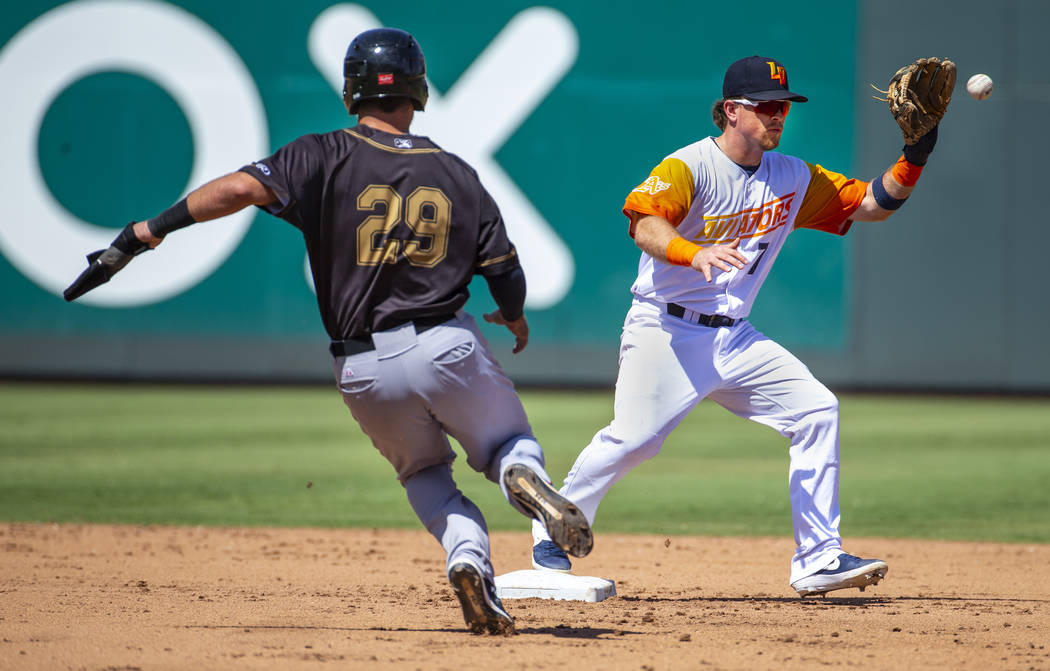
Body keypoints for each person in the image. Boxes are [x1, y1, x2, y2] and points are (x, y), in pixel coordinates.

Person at [64, 27, 592, 633]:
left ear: (352, 91)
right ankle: (520, 479)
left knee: (424, 475)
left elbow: (237, 189)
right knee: (508, 448)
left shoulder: (320, 153)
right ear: (418, 90)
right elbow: (504, 269)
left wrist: (146, 231)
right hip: (446, 344)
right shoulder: (456, 173)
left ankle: (468, 561)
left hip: (363, 367)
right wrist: (515, 313)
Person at [531, 55, 941, 597]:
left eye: (784, 107)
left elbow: (872, 204)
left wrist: (917, 153)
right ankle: (551, 526)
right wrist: (690, 252)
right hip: (666, 330)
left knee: (817, 410)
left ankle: (818, 558)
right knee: (635, 440)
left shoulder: (794, 175)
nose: (778, 116)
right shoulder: (688, 166)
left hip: (736, 334)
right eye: (766, 106)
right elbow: (645, 223)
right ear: (730, 110)